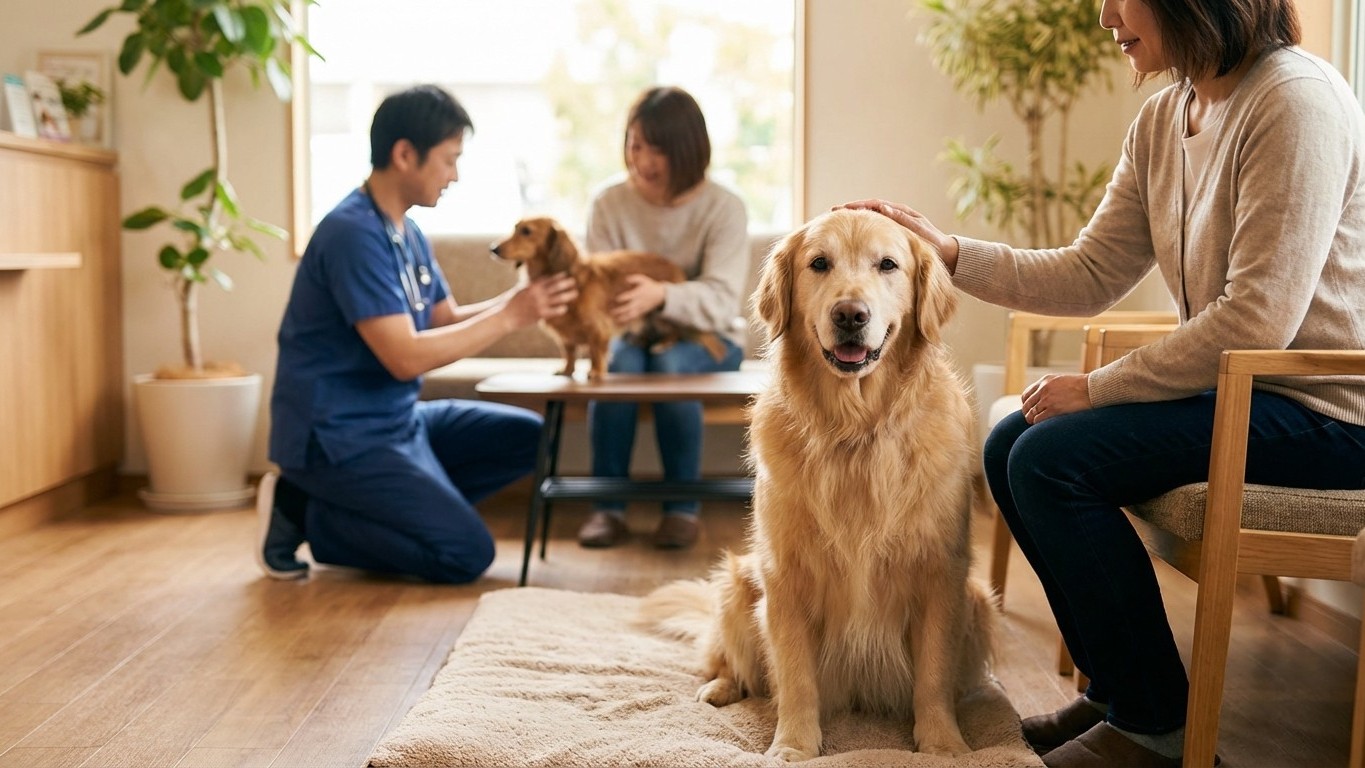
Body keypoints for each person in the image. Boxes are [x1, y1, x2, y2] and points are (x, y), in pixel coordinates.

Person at [846, 0, 1365, 765]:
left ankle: (1154, 726)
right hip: (1239, 399)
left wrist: (1097, 387)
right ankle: (1124, 693)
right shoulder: (1165, 118)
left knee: (1048, 459)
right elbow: (1089, 273)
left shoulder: (1293, 100)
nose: (1103, 15)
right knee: (1008, 445)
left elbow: (1257, 321)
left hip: (1323, 414)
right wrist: (950, 252)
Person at [257, 85, 578, 584]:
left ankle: (402, 506)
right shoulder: (352, 234)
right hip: (339, 435)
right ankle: (305, 512)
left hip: (396, 420)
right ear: (405, 155)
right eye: (450, 160)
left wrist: (527, 301)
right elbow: (405, 358)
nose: (456, 175)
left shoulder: (407, 232)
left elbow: (442, 319)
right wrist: (511, 316)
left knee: (532, 439)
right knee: (465, 554)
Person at [577, 85, 750, 550]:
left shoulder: (724, 207)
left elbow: (723, 302)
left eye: (658, 149)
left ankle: (681, 509)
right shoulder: (608, 203)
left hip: (708, 339)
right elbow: (597, 286)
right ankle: (607, 506)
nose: (643, 161)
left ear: (688, 151)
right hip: (632, 337)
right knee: (619, 366)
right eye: (635, 145)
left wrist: (661, 295)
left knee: (671, 367)